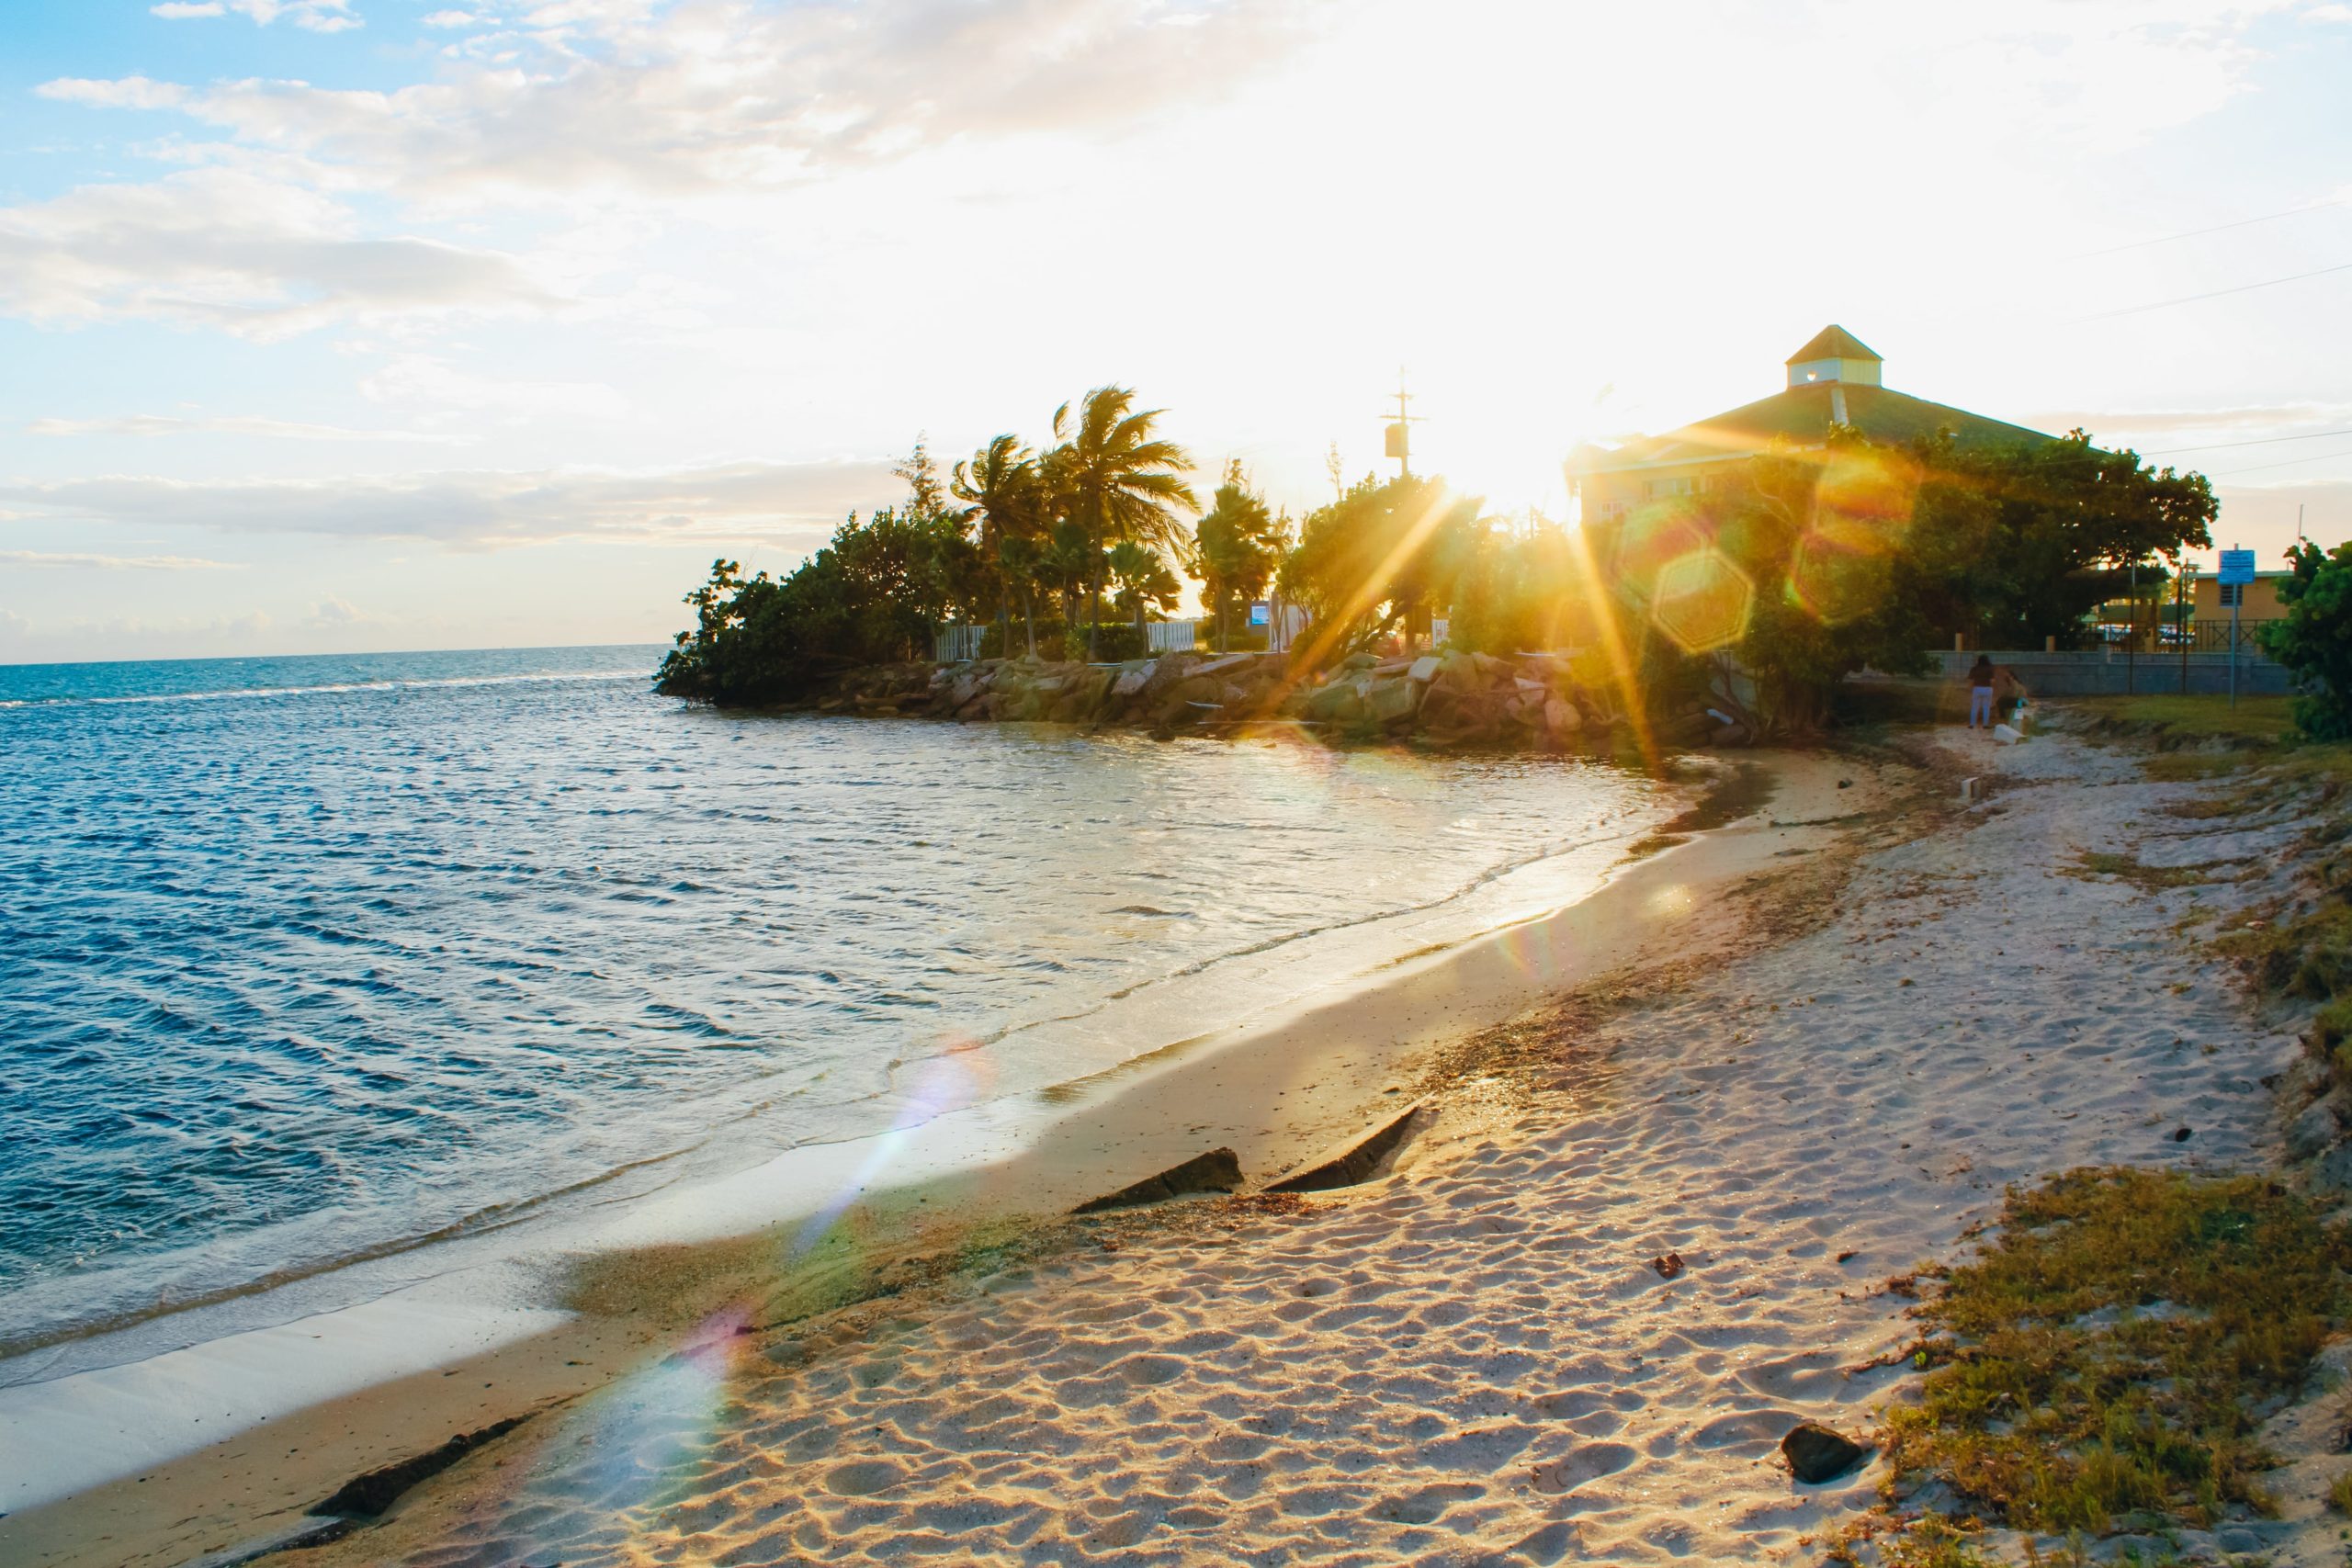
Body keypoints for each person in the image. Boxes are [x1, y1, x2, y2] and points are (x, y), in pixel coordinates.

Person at [1965, 654, 1996, 730]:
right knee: (1986, 707)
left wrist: (1970, 688)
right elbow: (1992, 680)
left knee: (1975, 707)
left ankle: (1972, 724)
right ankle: (1985, 724)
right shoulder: (1990, 669)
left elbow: (1970, 680)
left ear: (1979, 660)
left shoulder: (1974, 669)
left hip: (1977, 688)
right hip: (1988, 689)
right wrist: (1992, 688)